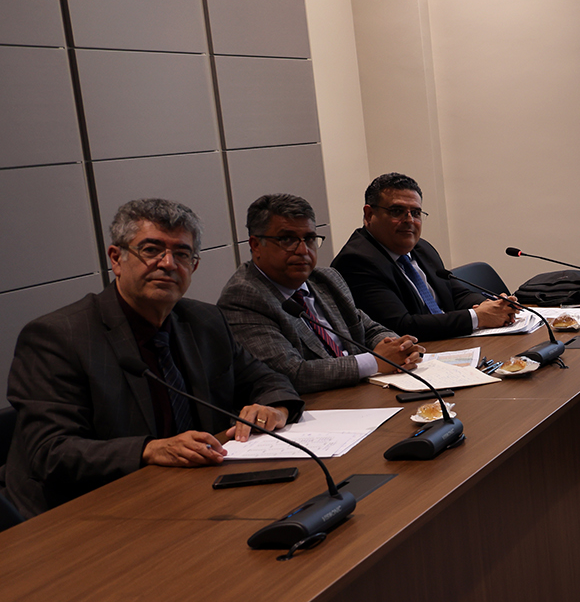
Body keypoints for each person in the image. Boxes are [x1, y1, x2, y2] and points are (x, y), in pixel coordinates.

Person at [4, 198, 303, 520]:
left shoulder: (205, 321)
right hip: (87, 513)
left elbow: (265, 378)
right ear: (116, 258)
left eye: (182, 254)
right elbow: (50, 451)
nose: (168, 263)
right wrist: (150, 449)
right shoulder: (58, 336)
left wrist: (274, 407)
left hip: (192, 494)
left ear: (194, 266)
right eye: (151, 250)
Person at [218, 193, 426, 393]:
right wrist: (375, 361)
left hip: (364, 392)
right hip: (314, 407)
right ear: (256, 245)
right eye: (287, 240)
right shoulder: (243, 297)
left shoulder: (326, 279)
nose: (303, 251)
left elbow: (368, 329)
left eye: (309, 239)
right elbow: (292, 373)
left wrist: (399, 348)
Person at [331, 172, 517, 341]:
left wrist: (493, 306)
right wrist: (477, 317)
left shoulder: (422, 248)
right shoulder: (356, 261)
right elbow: (401, 326)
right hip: (416, 354)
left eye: (416, 213)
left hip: (450, 343)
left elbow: (455, 294)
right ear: (369, 214)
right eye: (397, 211)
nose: (409, 220)